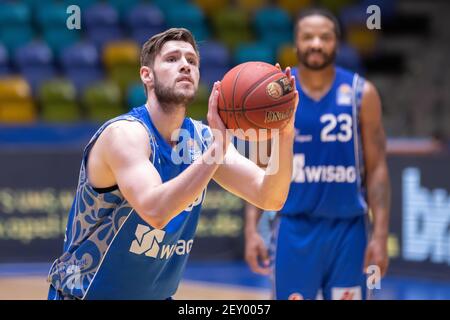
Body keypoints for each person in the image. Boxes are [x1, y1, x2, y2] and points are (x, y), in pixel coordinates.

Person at [46, 28, 297, 300]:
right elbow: (156, 210)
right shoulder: (126, 134)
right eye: (172, 59)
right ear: (147, 75)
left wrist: (285, 132)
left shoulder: (202, 138)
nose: (185, 66)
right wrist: (216, 151)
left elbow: (269, 197)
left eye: (192, 61)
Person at [245, 9, 391, 300]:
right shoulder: (276, 95)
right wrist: (251, 230)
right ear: (296, 43)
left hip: (349, 230)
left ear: (337, 43)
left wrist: (381, 235)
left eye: (325, 37)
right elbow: (258, 166)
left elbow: (377, 169)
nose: (316, 44)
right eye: (307, 37)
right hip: (293, 227)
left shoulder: (363, 93)